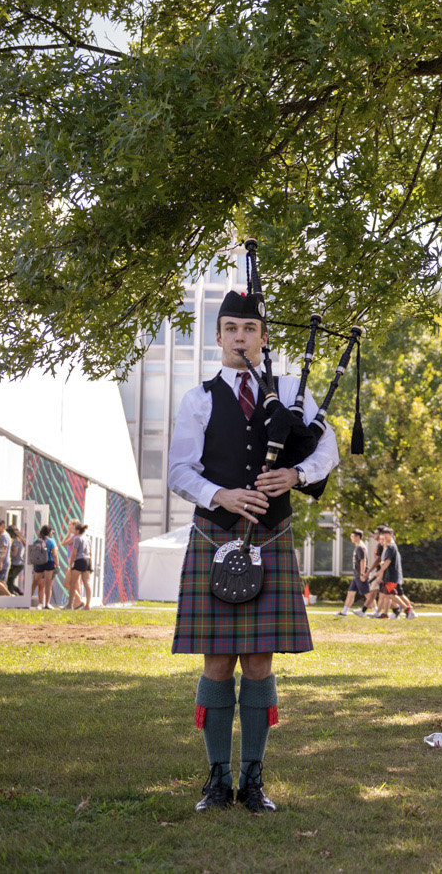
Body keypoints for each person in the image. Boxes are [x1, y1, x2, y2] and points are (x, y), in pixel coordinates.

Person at [167, 289, 337, 814]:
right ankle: (217, 780)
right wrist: (219, 494)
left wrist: (297, 473)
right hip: (214, 535)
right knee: (217, 662)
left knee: (259, 663)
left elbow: (327, 448)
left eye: (251, 329)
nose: (241, 337)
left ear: (264, 338)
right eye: (232, 329)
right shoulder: (198, 398)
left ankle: (253, 780)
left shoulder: (290, 391)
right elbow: (178, 471)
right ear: (218, 337)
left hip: (270, 535)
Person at [372, 526, 415, 618]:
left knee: (390, 594)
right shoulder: (389, 547)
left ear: (391, 535)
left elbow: (388, 561)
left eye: (385, 536)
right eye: (382, 536)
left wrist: (380, 571)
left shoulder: (391, 547)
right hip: (389, 574)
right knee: (388, 594)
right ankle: (385, 614)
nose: (383, 538)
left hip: (391, 575)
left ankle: (407, 608)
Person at [339, 529, 372, 616]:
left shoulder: (361, 547)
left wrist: (362, 573)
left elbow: (363, 561)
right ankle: (344, 612)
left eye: (352, 536)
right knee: (350, 593)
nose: (351, 538)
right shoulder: (358, 547)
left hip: (360, 575)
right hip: (356, 575)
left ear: (358, 537)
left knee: (368, 594)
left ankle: (377, 612)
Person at [64, 521, 93, 610]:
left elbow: (74, 552)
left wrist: (70, 564)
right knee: (86, 583)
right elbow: (90, 552)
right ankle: (87, 605)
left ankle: (69, 605)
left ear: (77, 530)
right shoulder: (87, 538)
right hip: (87, 560)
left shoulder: (77, 538)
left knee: (72, 584)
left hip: (79, 560)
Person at [32, 524, 58, 609]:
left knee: (35, 582)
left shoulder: (36, 540)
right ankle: (47, 604)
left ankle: (34, 602)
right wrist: (57, 565)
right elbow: (54, 554)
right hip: (48, 562)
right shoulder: (51, 541)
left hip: (38, 562)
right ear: (49, 532)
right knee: (48, 583)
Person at [7, 525, 25, 595]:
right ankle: (19, 593)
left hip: (16, 564)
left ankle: (14, 596)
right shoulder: (21, 539)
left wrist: (7, 551)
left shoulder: (16, 541)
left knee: (10, 581)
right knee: (10, 581)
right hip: (20, 563)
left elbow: (14, 553)